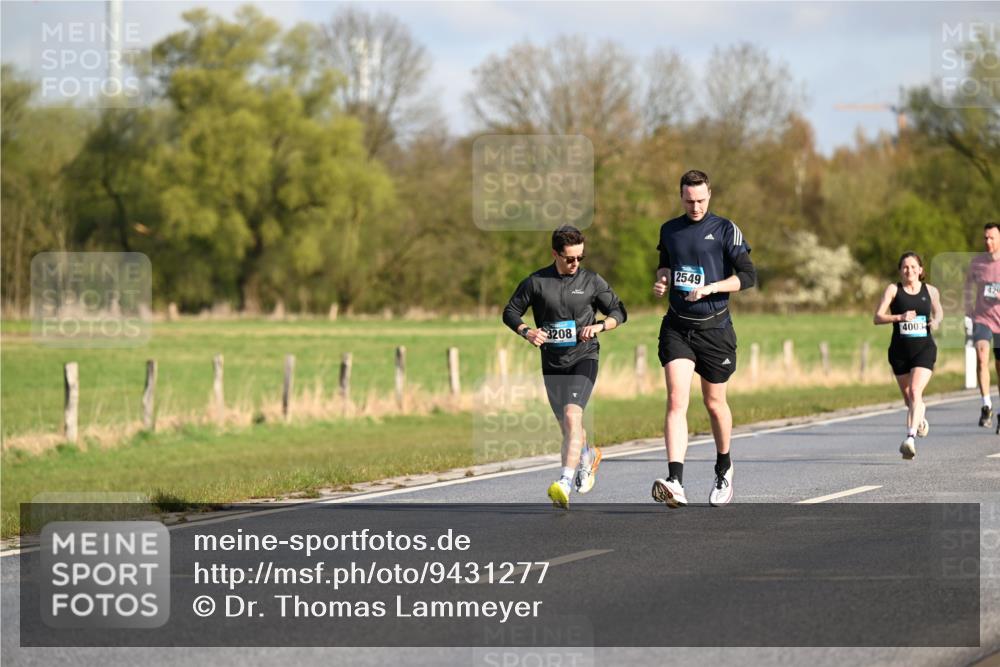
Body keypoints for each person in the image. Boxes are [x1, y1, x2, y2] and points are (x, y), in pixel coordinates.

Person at [650, 170, 755, 508]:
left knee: (713, 403)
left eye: (700, 200)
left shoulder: (726, 229)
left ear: (709, 195)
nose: (695, 206)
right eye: (688, 200)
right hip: (678, 327)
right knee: (676, 400)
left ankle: (724, 466)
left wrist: (712, 286)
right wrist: (663, 281)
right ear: (680, 197)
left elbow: (748, 277)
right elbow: (666, 265)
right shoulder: (670, 230)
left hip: (715, 329)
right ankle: (675, 480)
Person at [502, 226, 627, 509]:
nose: (576, 264)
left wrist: (599, 326)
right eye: (570, 258)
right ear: (555, 254)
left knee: (573, 417)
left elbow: (620, 311)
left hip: (584, 357)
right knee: (568, 427)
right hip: (552, 361)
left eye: (580, 257)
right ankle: (589, 456)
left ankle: (564, 483)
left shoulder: (592, 281)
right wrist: (527, 331)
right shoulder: (536, 282)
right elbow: (509, 312)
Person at [873, 252, 943, 459]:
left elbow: (938, 312)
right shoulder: (893, 290)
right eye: (905, 267)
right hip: (899, 352)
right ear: (900, 270)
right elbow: (877, 318)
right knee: (910, 400)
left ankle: (910, 439)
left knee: (915, 391)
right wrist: (899, 317)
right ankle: (919, 418)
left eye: (913, 267)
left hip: (924, 350)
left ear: (921, 270)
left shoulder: (930, 291)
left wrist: (936, 321)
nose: (909, 271)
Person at [965, 223, 1000, 429]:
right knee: (981, 360)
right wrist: (968, 310)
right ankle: (986, 405)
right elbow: (968, 287)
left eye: (992, 237)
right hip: (982, 319)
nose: (988, 241)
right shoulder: (976, 263)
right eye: (985, 238)